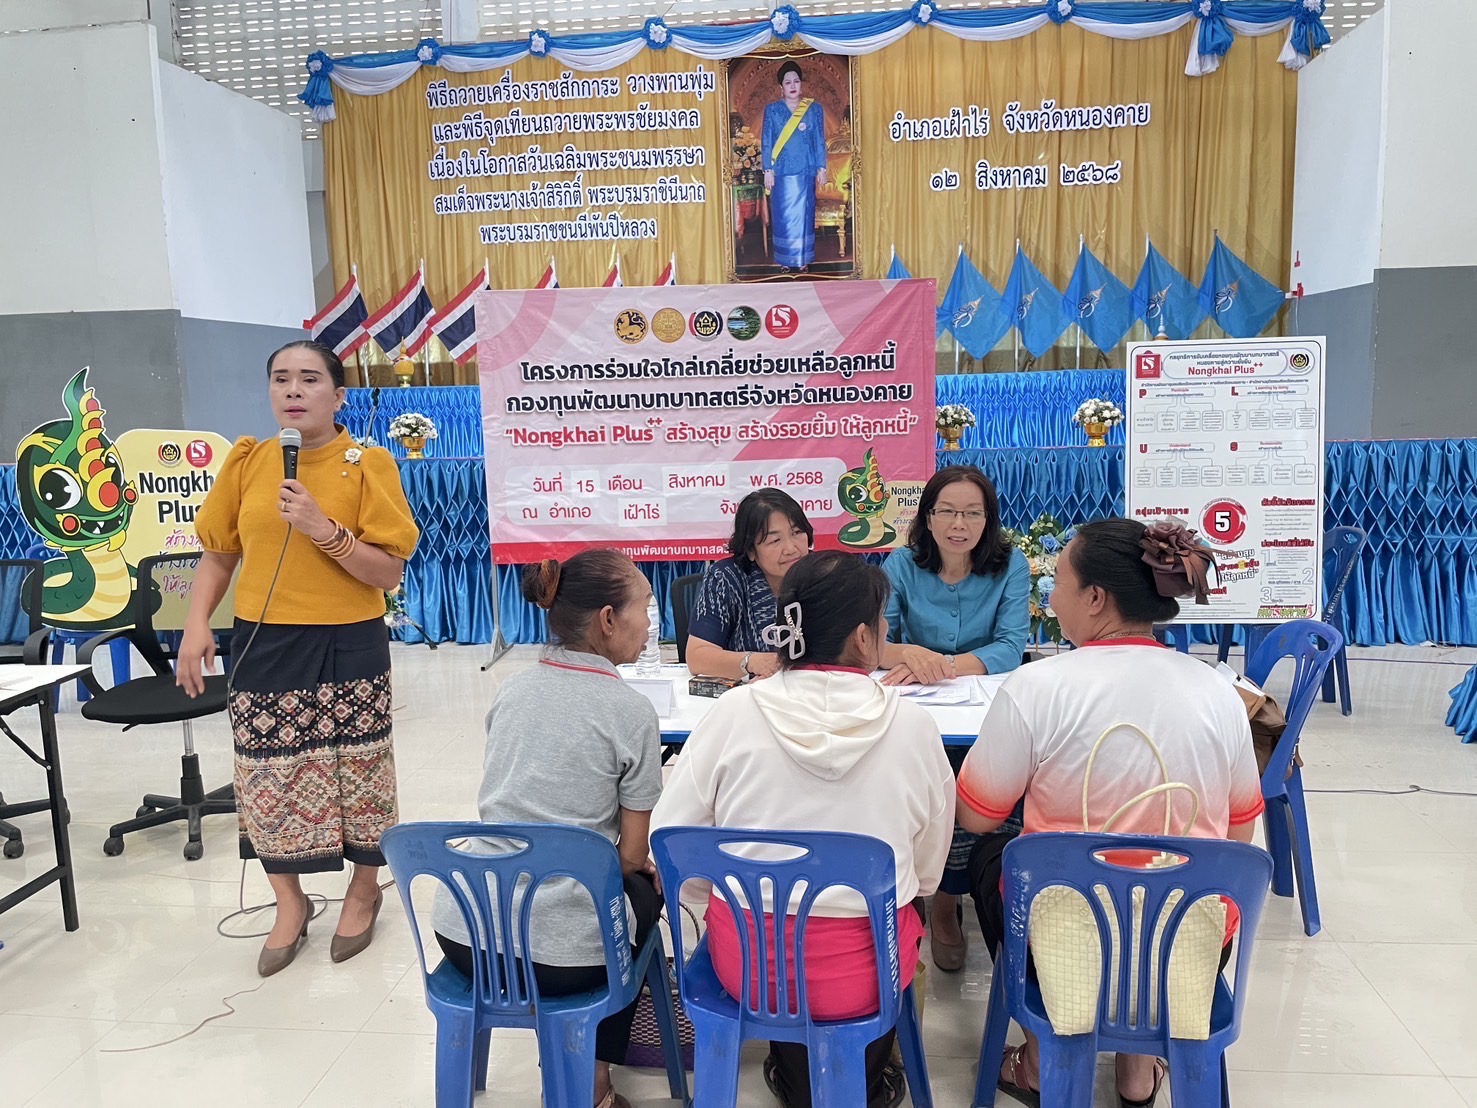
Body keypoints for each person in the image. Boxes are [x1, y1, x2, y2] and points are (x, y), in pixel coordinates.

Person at [956, 519, 1261, 1108]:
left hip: (1072, 939)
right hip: (1187, 940)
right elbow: (1239, 832)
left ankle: (1042, 1056)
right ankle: (1138, 1072)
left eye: (1060, 583)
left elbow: (976, 818)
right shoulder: (1219, 691)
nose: (1051, 597)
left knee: (995, 856)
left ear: (1095, 598)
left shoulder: (1036, 686)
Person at [654, 552, 956, 1108]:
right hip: (868, 971)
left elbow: (673, 841)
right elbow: (928, 868)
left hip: (748, 967)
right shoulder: (915, 726)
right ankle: (865, 1074)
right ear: (865, 639)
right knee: (905, 919)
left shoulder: (731, 713)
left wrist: (723, 895)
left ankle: (792, 1069)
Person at [181, 340, 419, 977]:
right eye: (281, 379)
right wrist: (196, 623)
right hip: (264, 638)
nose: (293, 390)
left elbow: (390, 570)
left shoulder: (367, 464)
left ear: (338, 397)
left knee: (360, 774)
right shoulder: (248, 462)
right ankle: (289, 902)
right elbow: (220, 554)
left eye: (310, 379)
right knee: (266, 775)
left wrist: (324, 530)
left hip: (350, 638)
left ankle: (364, 891)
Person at [432, 550, 662, 1108]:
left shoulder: (511, 689)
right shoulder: (630, 711)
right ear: (609, 619)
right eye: (645, 608)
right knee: (644, 896)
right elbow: (631, 855)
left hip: (466, 932)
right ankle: (595, 1086)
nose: (650, 623)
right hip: (564, 960)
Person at [878, 465, 1030, 972]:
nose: (957, 523)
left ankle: (966, 886)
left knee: (981, 769)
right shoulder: (900, 564)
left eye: (971, 512)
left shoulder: (1010, 566)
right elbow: (878, 642)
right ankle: (936, 896)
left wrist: (939, 666)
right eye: (946, 511)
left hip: (981, 704)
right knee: (914, 767)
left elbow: (1011, 647)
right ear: (927, 516)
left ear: (988, 520)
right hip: (919, 705)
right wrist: (909, 654)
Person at [685, 488, 812, 682]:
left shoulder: (826, 572)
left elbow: (866, 642)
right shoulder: (726, 578)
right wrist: (751, 661)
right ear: (751, 550)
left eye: (796, 532)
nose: (791, 548)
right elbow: (697, 657)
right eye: (775, 540)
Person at [762, 60, 828, 270]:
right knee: (784, 218)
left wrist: (822, 168)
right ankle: (785, 260)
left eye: (796, 81)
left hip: (805, 172)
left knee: (804, 216)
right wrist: (767, 170)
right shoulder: (772, 110)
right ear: (780, 87)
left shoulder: (814, 109)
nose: (793, 86)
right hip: (781, 173)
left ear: (801, 84)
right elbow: (766, 141)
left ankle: (803, 259)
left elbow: (819, 139)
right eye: (788, 82)